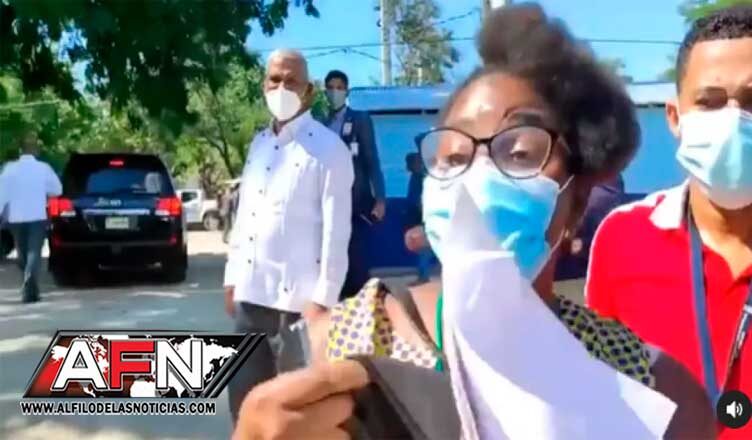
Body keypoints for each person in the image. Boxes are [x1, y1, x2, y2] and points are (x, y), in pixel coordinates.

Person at [233, 5, 715, 439]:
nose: (479, 177)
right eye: (454, 157)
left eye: (519, 152)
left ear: (576, 202)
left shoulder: (647, 389)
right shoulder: (338, 352)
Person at [586, 6, 752, 438]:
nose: (734, 120)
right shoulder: (622, 239)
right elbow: (599, 392)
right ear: (675, 119)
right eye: (709, 102)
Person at [223, 49, 354, 424]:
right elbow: (245, 218)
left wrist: (323, 300)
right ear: (264, 85)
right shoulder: (259, 145)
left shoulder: (329, 149)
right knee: (245, 407)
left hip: (299, 307)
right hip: (251, 298)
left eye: (291, 81)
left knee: (296, 417)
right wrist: (232, 277)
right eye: (275, 79)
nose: (282, 88)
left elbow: (337, 231)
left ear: (308, 91)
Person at [323, 70, 387, 300]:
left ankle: (359, 304)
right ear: (325, 91)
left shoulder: (360, 119)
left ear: (347, 91)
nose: (335, 92)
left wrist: (380, 198)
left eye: (340, 87)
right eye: (331, 87)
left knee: (356, 258)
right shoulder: (320, 124)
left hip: (355, 202)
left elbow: (372, 160)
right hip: (327, 202)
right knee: (332, 258)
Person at [0, 131, 62, 303]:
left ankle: (29, 289)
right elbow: (57, 190)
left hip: (16, 218)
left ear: (20, 151)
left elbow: (1, 194)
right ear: (35, 151)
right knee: (34, 252)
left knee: (22, 254)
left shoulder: (9, 169)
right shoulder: (43, 168)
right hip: (37, 216)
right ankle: (30, 287)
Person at [404, 152, 435, 284]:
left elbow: (420, 201)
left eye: (410, 163)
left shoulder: (422, 178)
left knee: (424, 249)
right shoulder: (416, 178)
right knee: (424, 249)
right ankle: (424, 275)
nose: (407, 166)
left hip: (423, 219)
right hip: (418, 217)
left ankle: (424, 275)